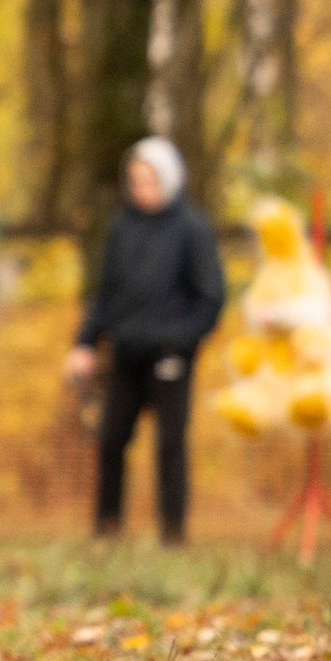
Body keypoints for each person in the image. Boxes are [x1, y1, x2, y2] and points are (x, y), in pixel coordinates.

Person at [65, 137, 226, 543]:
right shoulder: (122, 228)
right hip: (126, 354)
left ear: (169, 180)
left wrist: (181, 341)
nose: (142, 191)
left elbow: (211, 298)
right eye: (135, 182)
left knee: (170, 445)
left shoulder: (192, 230)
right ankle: (106, 528)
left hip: (171, 356)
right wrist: (85, 343)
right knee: (112, 438)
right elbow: (105, 293)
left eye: (149, 181)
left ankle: (173, 533)